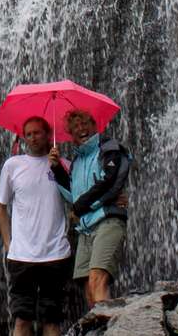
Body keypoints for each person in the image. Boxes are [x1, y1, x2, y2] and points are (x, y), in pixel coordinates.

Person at [0, 116, 72, 336]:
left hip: (56, 254)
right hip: (22, 255)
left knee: (51, 318)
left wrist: (58, 167)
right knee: (22, 317)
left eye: (38, 133)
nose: (33, 137)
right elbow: (0, 206)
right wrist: (8, 243)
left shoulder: (64, 165)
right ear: (23, 137)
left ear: (48, 134)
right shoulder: (12, 165)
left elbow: (78, 200)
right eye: (28, 134)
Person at [49, 109, 131, 308]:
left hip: (107, 221)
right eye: (75, 127)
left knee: (97, 279)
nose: (81, 129)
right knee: (88, 288)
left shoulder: (109, 148)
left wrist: (82, 206)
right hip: (86, 228)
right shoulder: (77, 162)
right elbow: (73, 196)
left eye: (85, 124)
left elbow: (111, 180)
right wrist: (57, 168)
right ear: (70, 134)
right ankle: (101, 333)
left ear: (95, 126)